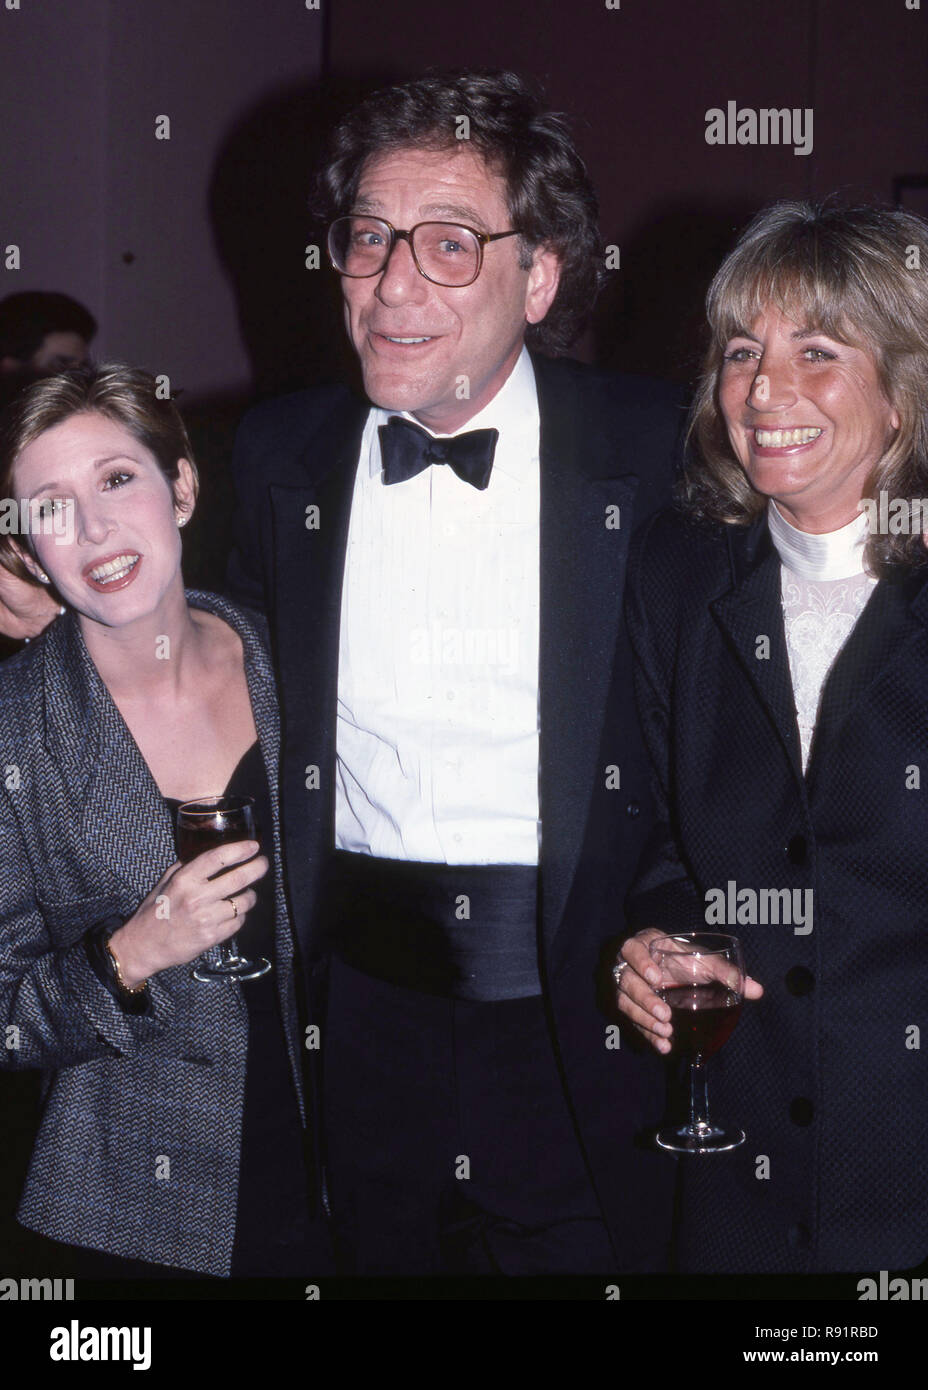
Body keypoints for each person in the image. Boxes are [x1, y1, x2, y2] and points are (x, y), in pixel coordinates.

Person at [227, 69, 684, 1275]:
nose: (390, 287)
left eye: (446, 244)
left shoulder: (661, 450)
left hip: (583, 1008)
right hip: (356, 1010)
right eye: (368, 240)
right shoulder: (273, 457)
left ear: (538, 277)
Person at [616, 200, 928, 1274]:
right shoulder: (677, 570)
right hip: (728, 1158)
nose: (763, 389)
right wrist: (650, 941)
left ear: (901, 393)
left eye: (817, 352)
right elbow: (649, 828)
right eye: (742, 350)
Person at [0, 364, 324, 1278]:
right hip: (136, 1217)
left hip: (349, 1168)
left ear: (180, 486)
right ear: (26, 548)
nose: (94, 527)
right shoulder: (16, 729)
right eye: (48, 507)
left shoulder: (301, 658)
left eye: (116, 478)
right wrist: (129, 956)